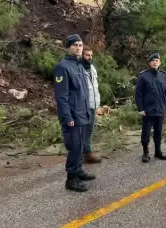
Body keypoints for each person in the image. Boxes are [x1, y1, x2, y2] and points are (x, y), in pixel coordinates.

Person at [54, 34, 95, 192]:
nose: (78, 47)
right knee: (75, 147)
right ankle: (71, 179)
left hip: (83, 114)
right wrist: (67, 116)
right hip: (73, 116)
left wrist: (88, 111)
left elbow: (83, 93)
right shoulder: (63, 67)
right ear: (68, 47)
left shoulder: (79, 66)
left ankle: (78, 171)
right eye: (75, 45)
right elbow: (61, 96)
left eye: (80, 45)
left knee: (82, 145)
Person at [135, 53, 166, 163]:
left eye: (157, 60)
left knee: (158, 132)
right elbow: (138, 94)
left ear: (160, 63)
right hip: (147, 110)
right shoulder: (143, 76)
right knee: (146, 132)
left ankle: (158, 151)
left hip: (160, 109)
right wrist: (141, 108)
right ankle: (145, 152)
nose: (155, 62)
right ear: (149, 63)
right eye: (153, 60)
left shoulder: (165, 76)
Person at [81, 45, 102, 164]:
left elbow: (95, 87)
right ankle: (80, 155)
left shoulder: (92, 68)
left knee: (89, 131)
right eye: (87, 55)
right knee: (81, 131)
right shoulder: (78, 68)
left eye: (91, 55)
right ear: (82, 55)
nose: (90, 57)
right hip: (83, 106)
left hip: (93, 105)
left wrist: (97, 103)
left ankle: (87, 154)